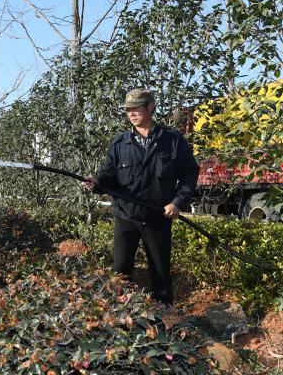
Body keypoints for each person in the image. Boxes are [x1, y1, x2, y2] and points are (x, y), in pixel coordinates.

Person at [83, 89, 199, 305]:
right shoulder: (120, 144)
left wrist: (177, 202)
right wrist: (96, 183)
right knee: (120, 273)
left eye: (136, 108)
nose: (131, 113)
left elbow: (190, 173)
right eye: (128, 110)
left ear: (150, 107)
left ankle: (164, 319)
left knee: (160, 273)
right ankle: (120, 319)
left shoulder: (172, 141)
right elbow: (108, 177)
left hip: (158, 217)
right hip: (126, 217)